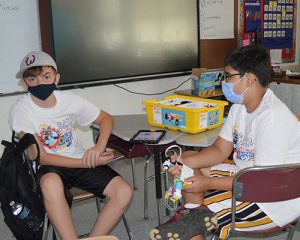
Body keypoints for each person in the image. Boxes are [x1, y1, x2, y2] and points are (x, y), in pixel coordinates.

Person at [150, 44, 300, 240]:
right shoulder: (240, 106)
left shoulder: (272, 118)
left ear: (250, 79)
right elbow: (220, 149)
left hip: (275, 198)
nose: (225, 82)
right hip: (248, 173)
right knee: (189, 158)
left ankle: (194, 220)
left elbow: (261, 183)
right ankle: (194, 219)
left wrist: (208, 183)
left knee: (202, 208)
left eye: (228, 76)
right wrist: (183, 164)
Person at [9, 51, 133, 240]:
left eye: (46, 76)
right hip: (49, 166)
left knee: (124, 191)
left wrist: (99, 147)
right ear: (24, 83)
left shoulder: (69, 100)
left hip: (79, 159)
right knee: (50, 184)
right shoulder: (21, 110)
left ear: (56, 78)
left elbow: (105, 118)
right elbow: (42, 157)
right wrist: (89, 162)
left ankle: (94, 237)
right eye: (32, 79)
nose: (40, 83)